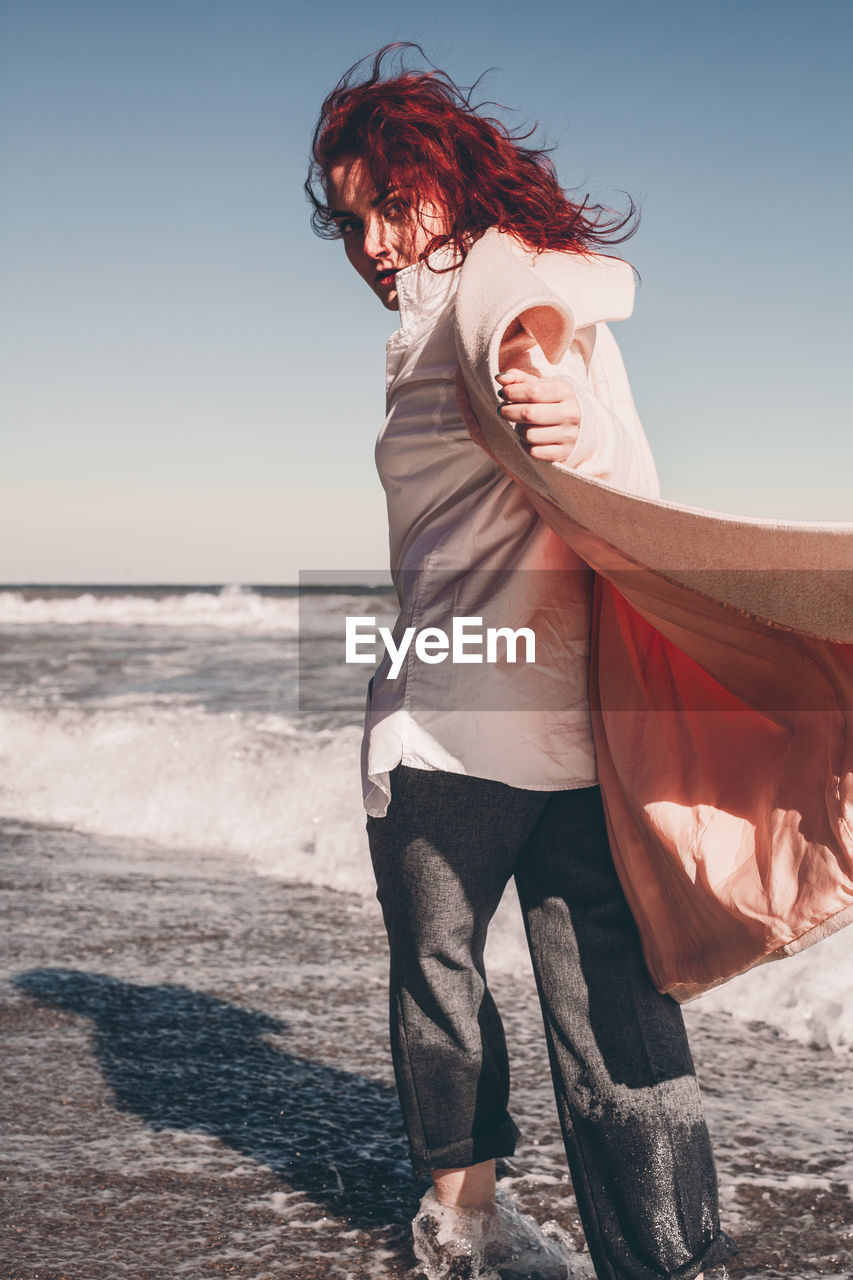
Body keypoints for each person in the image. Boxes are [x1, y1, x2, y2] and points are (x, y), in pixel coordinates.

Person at [306, 46, 739, 1280]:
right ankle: (623, 1251)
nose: (377, 243)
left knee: (519, 998)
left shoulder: (510, 305)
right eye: (353, 222)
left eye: (394, 205)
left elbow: (572, 410)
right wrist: (578, 425)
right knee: (557, 1004)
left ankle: (482, 1236)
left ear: (445, 180)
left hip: (475, 734)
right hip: (496, 722)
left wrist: (564, 414)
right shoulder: (445, 318)